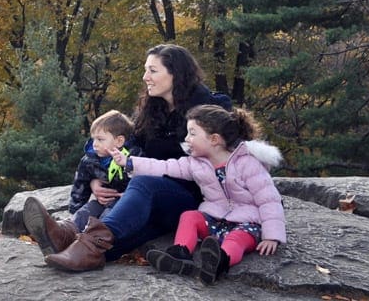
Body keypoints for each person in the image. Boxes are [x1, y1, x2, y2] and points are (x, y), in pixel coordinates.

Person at [24, 43, 232, 271]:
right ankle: (68, 239)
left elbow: (231, 158)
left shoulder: (210, 109)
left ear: (176, 73)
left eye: (153, 71)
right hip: (143, 202)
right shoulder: (152, 109)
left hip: (188, 202)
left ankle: (79, 241)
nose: (145, 77)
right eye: (146, 70)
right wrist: (96, 178)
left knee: (144, 184)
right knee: (113, 243)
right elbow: (114, 143)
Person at [113, 104, 285, 285]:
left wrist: (272, 235)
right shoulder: (195, 163)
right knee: (190, 216)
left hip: (247, 223)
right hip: (215, 218)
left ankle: (219, 262)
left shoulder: (247, 164)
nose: (186, 139)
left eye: (193, 133)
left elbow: (269, 200)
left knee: (237, 239)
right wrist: (130, 163)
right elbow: (165, 166)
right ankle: (179, 254)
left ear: (214, 139)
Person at [67, 110, 137, 232]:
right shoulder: (89, 160)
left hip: (123, 202)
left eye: (100, 139)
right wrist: (74, 209)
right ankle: (67, 232)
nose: (95, 144)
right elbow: (80, 185)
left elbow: (140, 178)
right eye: (93, 139)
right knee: (85, 212)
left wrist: (131, 195)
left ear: (119, 141)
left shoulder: (133, 156)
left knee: (107, 218)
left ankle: (90, 240)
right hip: (102, 201)